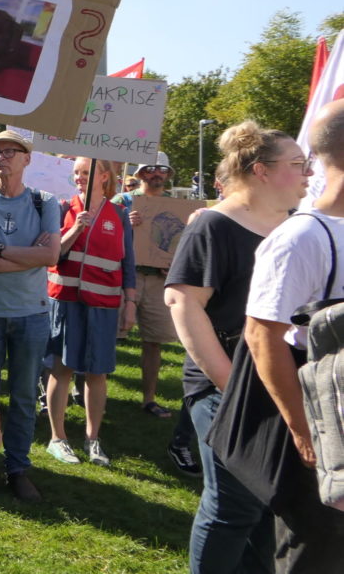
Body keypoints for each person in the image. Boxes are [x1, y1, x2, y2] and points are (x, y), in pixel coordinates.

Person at [165, 121, 297, 572]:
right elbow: (183, 304)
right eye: (297, 165)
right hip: (224, 387)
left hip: (280, 385)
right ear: (262, 170)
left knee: (270, 505)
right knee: (232, 507)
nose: (306, 173)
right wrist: (230, 385)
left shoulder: (295, 226)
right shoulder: (215, 226)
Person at [244, 102, 344, 572]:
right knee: (317, 554)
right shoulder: (301, 237)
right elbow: (262, 336)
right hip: (327, 427)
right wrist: (306, 434)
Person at [0, 130, 61, 500]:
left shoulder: (44, 201)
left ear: (27, 159)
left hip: (31, 314)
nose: (2, 157)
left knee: (22, 395)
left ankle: (18, 467)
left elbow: (50, 257)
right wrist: (21, 254)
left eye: (10, 151)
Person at [45, 158, 135, 468]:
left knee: (97, 372)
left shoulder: (119, 215)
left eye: (87, 172)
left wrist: (131, 302)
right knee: (62, 368)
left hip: (103, 304)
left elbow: (128, 262)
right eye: (77, 173)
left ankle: (93, 438)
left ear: (105, 176)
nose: (80, 178)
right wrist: (75, 229)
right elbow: (52, 253)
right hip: (66, 300)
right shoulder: (61, 207)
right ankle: (57, 439)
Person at [113, 154, 200, 475]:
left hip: (159, 279)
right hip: (124, 277)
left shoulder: (177, 207)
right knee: (110, 336)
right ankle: (90, 390)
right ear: (139, 173)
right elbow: (101, 224)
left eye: (162, 170)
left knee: (155, 341)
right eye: (150, 169)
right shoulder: (123, 201)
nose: (156, 175)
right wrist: (126, 220)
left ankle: (148, 398)